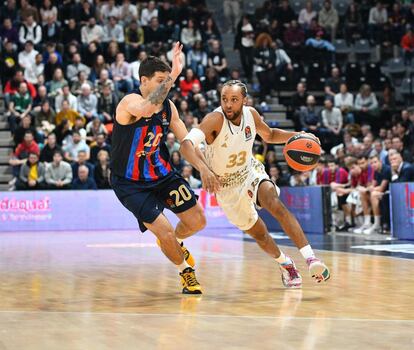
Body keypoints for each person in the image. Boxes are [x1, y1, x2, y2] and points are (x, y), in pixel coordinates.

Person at [180, 80, 330, 288]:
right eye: (225, 99)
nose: (228, 105)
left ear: (244, 100)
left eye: (234, 100)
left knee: (274, 203)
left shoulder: (251, 114)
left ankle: (311, 258)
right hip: (226, 186)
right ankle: (285, 263)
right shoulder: (214, 119)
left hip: (249, 171)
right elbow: (186, 145)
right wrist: (204, 169)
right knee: (260, 234)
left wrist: (297, 136)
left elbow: (269, 135)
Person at [110, 43, 219, 295]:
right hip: (130, 183)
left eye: (166, 81)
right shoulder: (129, 102)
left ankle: (173, 243)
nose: (165, 86)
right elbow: (147, 108)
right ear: (144, 81)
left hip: (162, 176)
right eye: (160, 80)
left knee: (198, 221)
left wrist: (203, 167)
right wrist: (175, 75)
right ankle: (185, 271)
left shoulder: (169, 107)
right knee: (165, 230)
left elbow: (186, 143)